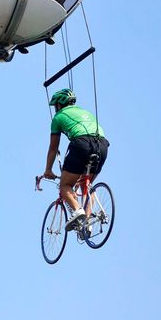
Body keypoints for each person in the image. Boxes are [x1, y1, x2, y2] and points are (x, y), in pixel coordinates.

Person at [42, 89, 109, 231]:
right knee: (86, 184)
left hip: (82, 144)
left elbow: (53, 148)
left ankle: (78, 211)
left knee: (65, 185)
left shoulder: (58, 117)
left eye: (55, 106)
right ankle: (87, 225)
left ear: (59, 105)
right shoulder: (85, 112)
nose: (55, 109)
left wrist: (48, 170)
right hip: (102, 145)